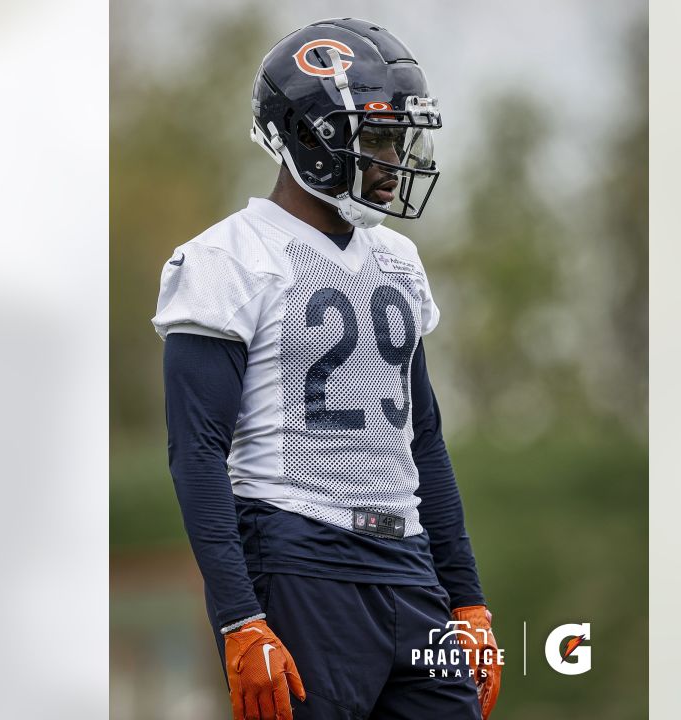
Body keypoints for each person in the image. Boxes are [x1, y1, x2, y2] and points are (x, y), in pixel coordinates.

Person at [153, 18, 501, 720]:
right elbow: (196, 452)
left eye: (396, 139)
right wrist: (238, 617)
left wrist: (467, 597)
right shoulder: (229, 259)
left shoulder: (397, 259)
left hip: (407, 562)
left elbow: (423, 441)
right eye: (374, 138)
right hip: (298, 552)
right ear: (309, 138)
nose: (390, 159)